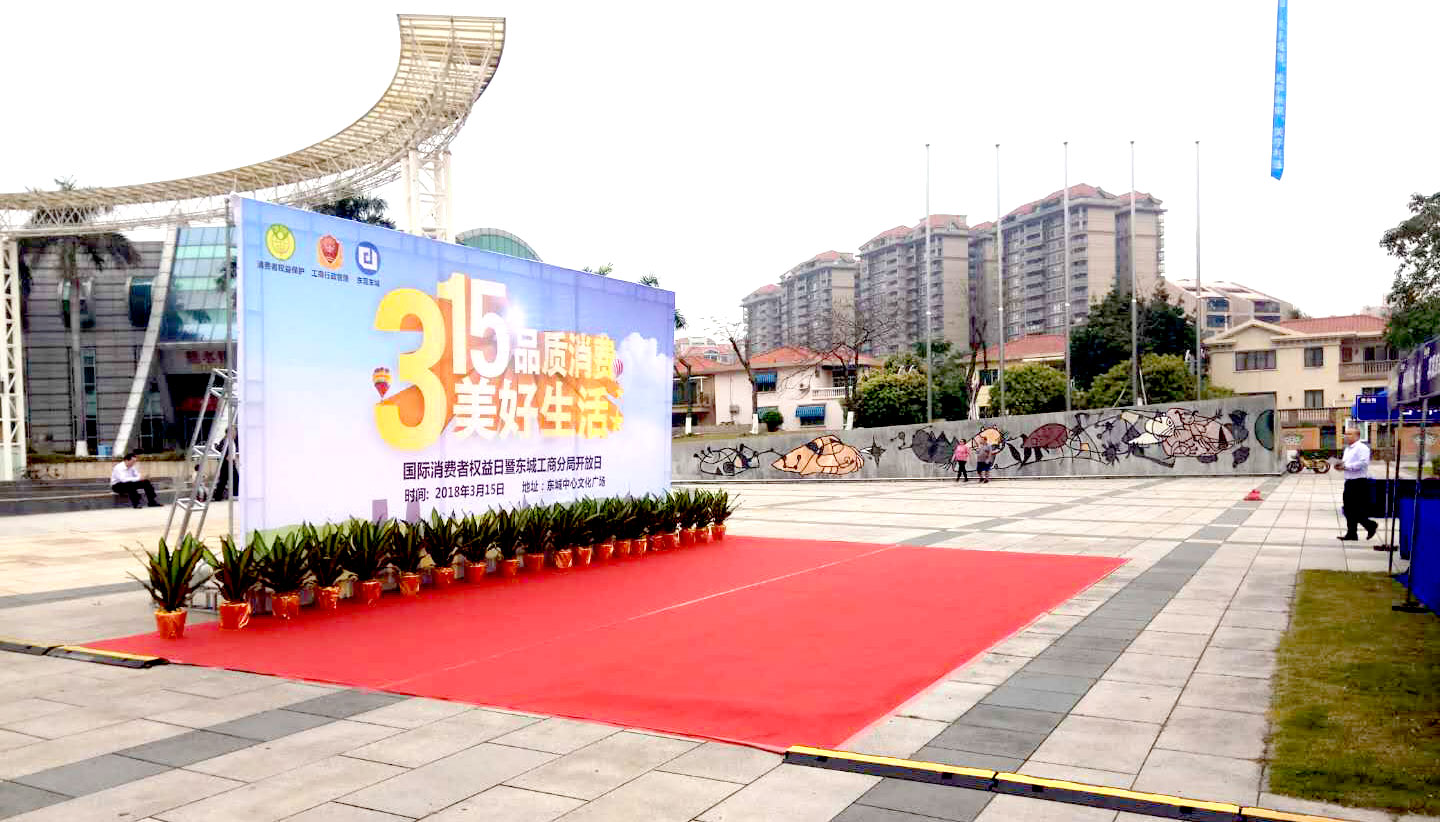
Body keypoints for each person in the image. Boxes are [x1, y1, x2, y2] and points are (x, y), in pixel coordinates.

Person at [1336, 428, 1377, 541]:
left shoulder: (1362, 448)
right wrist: (1340, 466)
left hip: (1359, 482)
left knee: (1356, 510)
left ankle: (1370, 525)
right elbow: (1346, 463)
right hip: (1349, 481)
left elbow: (1363, 463)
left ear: (1357, 436)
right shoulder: (1347, 449)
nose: (1346, 436)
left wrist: (1347, 467)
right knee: (1348, 509)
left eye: (1349, 434)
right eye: (1345, 434)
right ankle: (1352, 533)